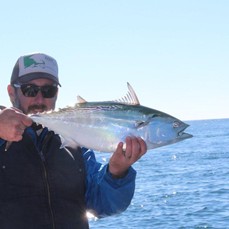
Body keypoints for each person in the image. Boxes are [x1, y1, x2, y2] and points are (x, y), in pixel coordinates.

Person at [0, 53, 147, 229]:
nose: (39, 99)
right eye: (29, 90)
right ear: (11, 92)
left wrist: (117, 173)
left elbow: (103, 205)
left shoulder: (75, 143)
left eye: (48, 91)